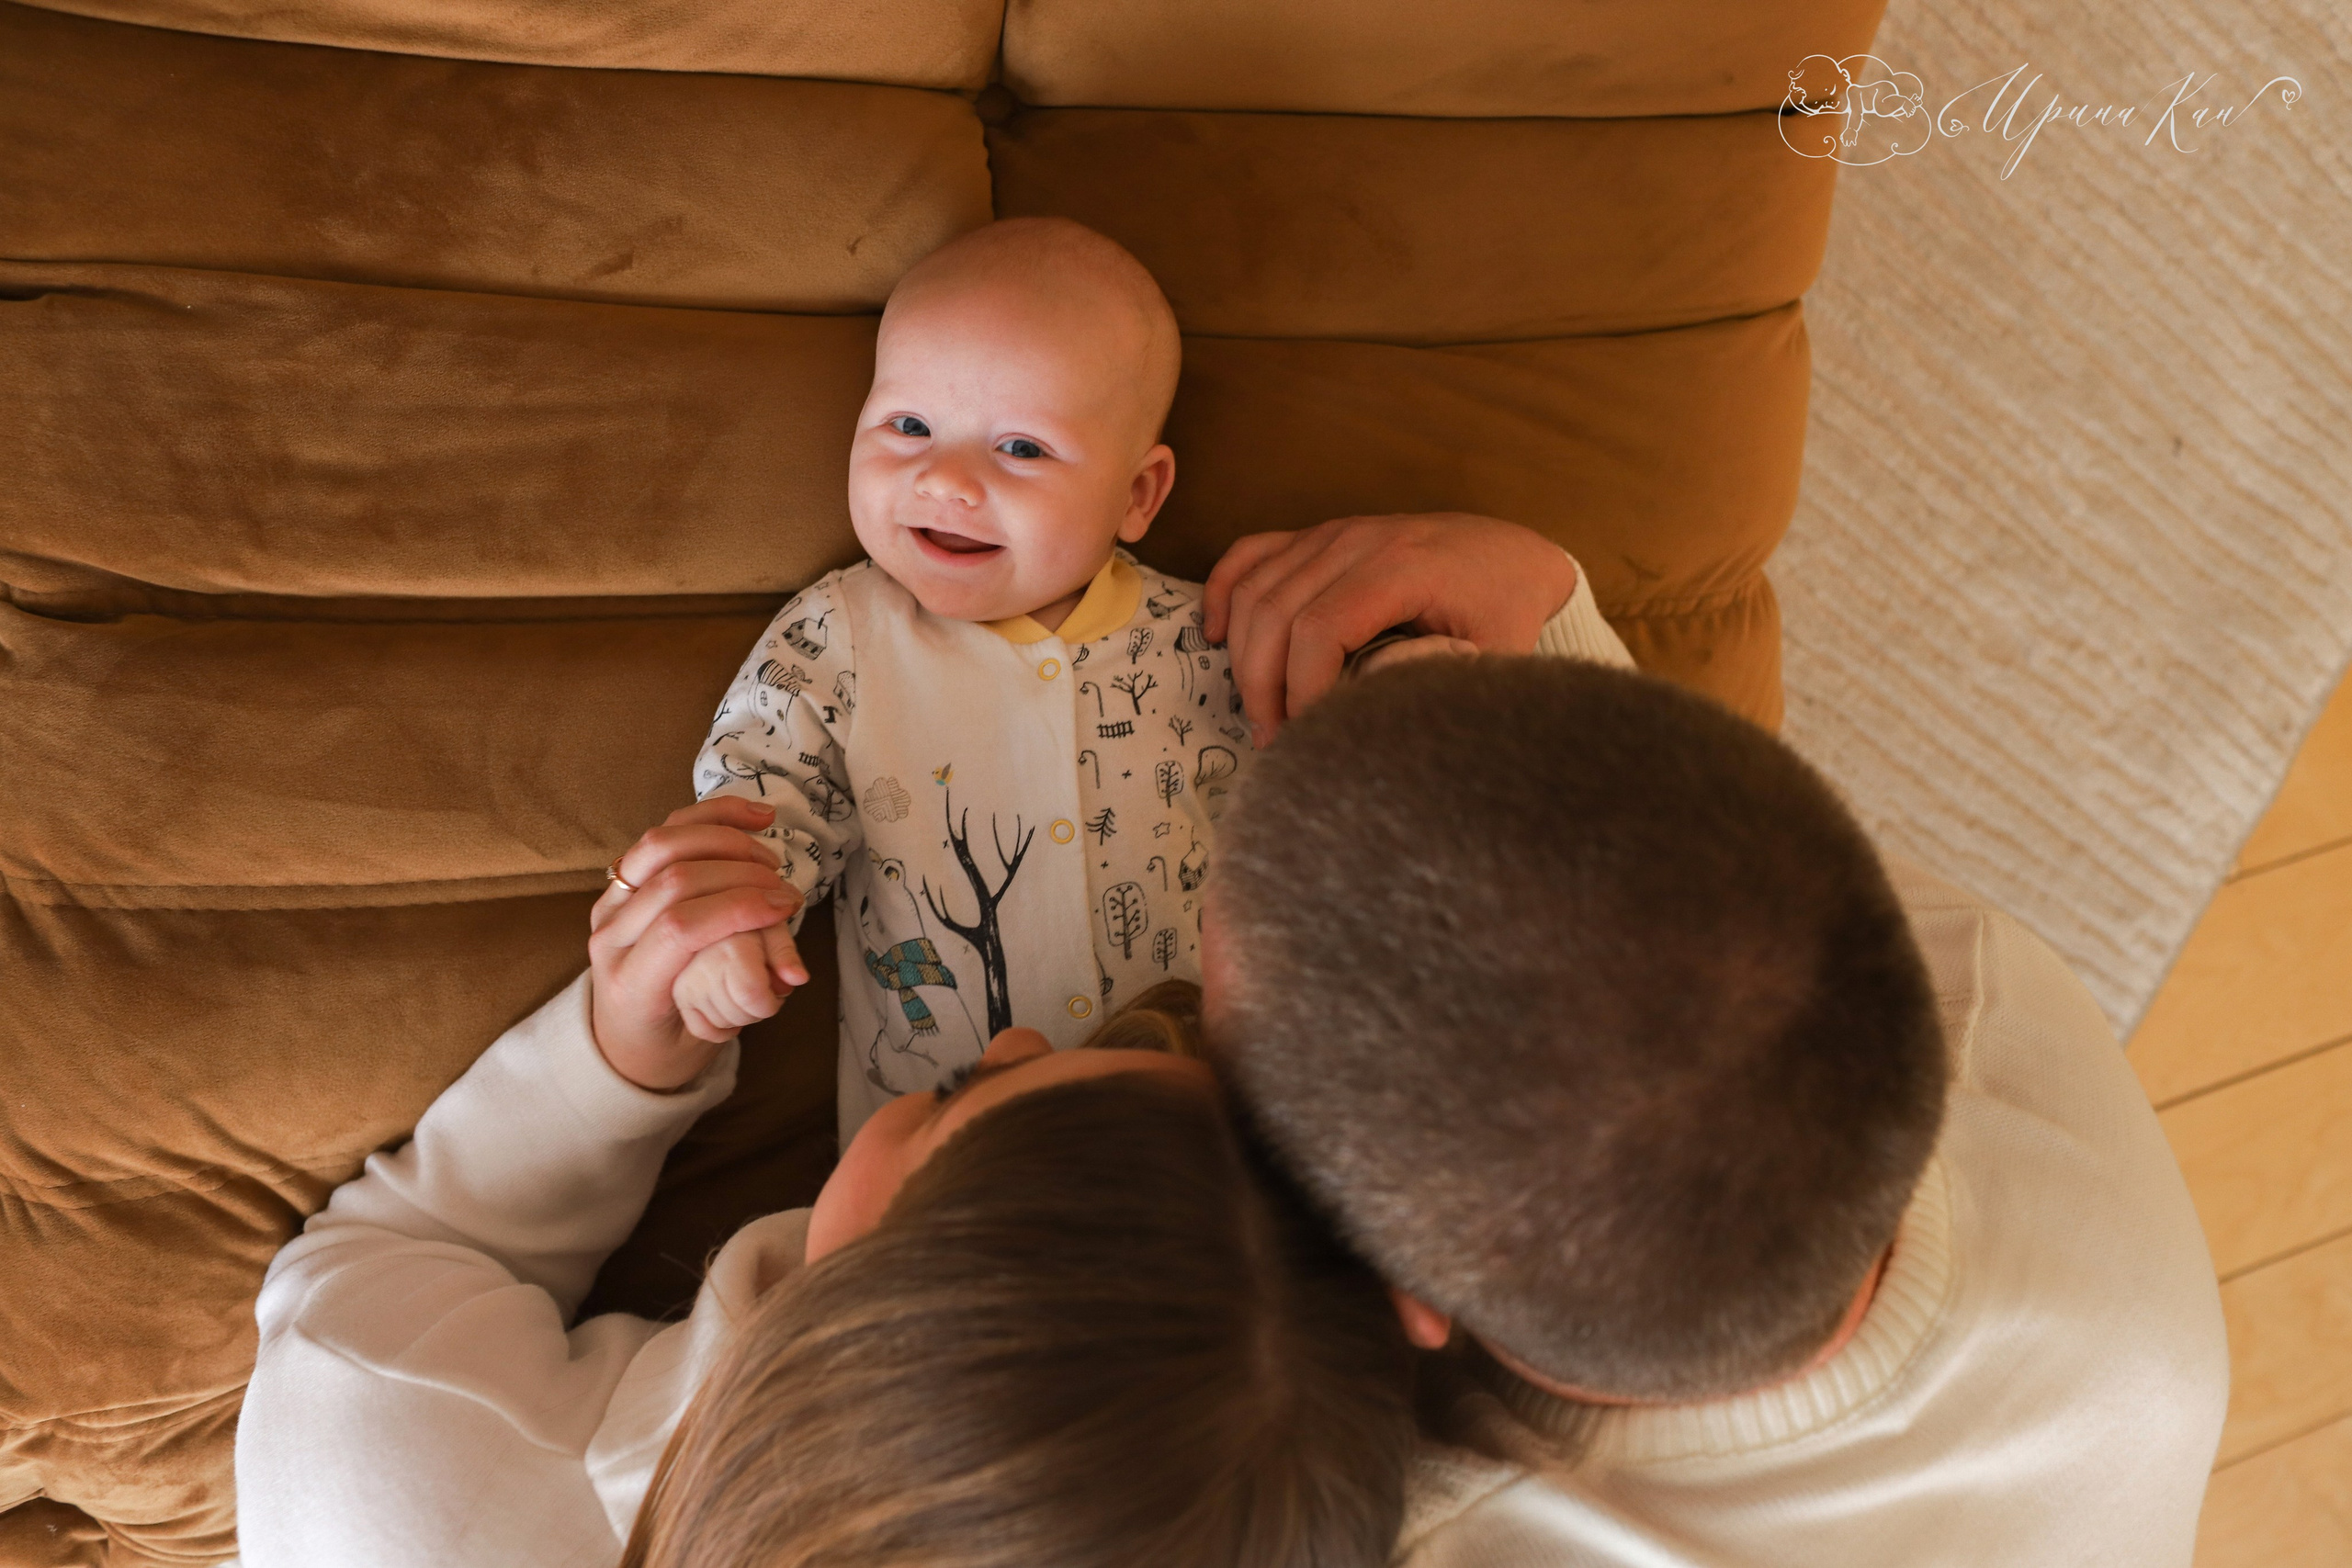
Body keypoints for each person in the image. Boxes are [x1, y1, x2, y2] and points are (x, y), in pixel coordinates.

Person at [1196, 518, 2233, 1568]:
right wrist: (1548, 611)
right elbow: (1707, 890)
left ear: (1400, 1295)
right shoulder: (1985, 988)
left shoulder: (1412, 1528)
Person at [234, 818, 1418, 1568]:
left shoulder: (389, 1463)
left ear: (848, 1257)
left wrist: (617, 1061)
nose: (1010, 1035)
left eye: (956, 1092)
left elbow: (406, 1244)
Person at [662, 218, 1625, 1139]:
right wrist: (733, 925)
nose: (948, 479)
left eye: (1021, 448)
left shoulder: (1215, 633)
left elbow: (1339, 789)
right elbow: (758, 800)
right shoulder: (840, 635)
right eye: (909, 424)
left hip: (1228, 1134)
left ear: (1137, 494)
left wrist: (1406, 679)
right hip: (944, 1178)